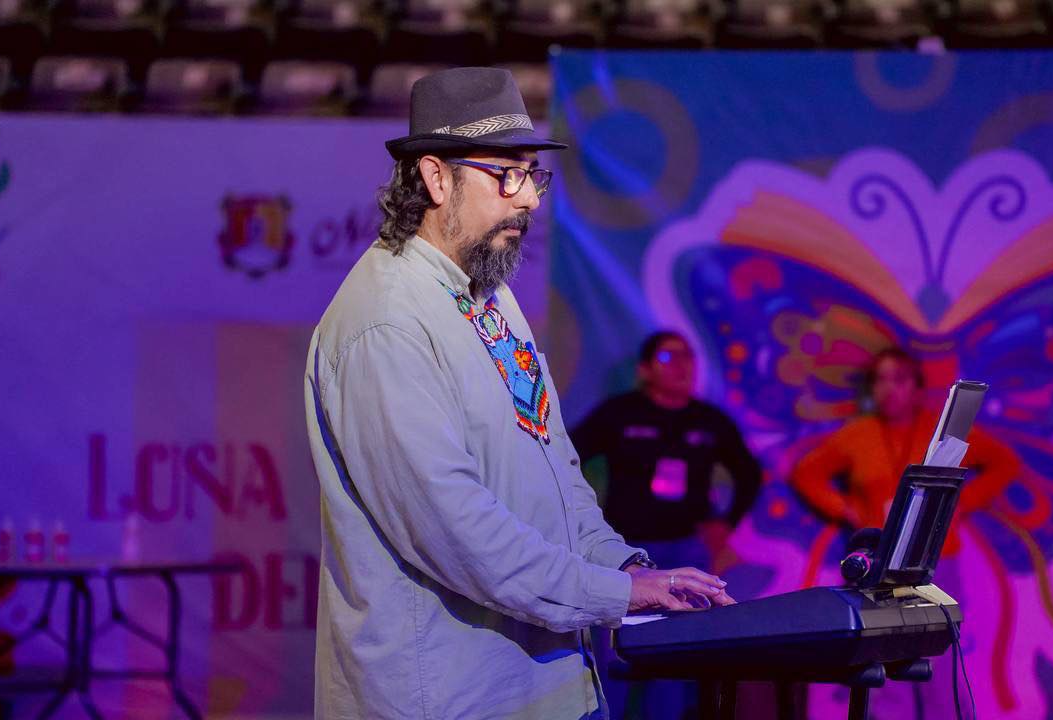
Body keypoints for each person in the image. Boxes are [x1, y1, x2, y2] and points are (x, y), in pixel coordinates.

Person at [303, 68, 733, 720]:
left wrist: (625, 569)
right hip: (452, 701)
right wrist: (614, 594)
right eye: (507, 174)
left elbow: (557, 471)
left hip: (552, 687)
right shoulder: (385, 324)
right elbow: (455, 532)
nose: (529, 198)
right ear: (436, 178)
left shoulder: (490, 294)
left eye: (533, 175)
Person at [572, 331, 761, 720]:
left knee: (674, 654)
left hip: (685, 551)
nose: (681, 366)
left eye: (688, 356)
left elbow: (749, 473)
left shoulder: (708, 420)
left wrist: (725, 524)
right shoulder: (619, 414)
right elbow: (567, 459)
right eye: (668, 358)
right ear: (644, 370)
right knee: (615, 651)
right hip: (626, 552)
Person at [790, 347, 1020, 556]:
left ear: (918, 389)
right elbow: (806, 472)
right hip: (875, 554)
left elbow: (1005, 463)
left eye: (899, 379)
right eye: (880, 380)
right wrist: (846, 508)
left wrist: (962, 503)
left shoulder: (944, 431)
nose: (889, 388)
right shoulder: (857, 434)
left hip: (934, 557)